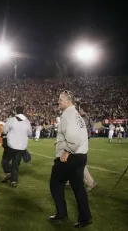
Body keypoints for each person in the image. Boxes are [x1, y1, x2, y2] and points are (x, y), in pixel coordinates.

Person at [49, 90, 92, 228]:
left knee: (55, 182)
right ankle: (85, 218)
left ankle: (61, 213)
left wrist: (66, 152)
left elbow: (74, 138)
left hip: (71, 156)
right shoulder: (76, 115)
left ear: (68, 101)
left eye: (60, 100)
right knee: (78, 187)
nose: (58, 102)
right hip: (81, 156)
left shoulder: (68, 115)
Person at [1, 106, 32, 187]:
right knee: (16, 164)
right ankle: (13, 181)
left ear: (15, 111)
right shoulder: (27, 121)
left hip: (11, 145)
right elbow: (30, 133)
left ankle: (9, 172)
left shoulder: (12, 120)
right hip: (22, 146)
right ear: (23, 111)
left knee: (4, 161)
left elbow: (4, 130)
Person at [79, 103, 96, 192]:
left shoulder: (82, 119)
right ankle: (69, 180)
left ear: (81, 109)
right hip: (86, 142)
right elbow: (94, 130)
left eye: (79, 108)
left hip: (81, 143)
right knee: (74, 162)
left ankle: (90, 182)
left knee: (80, 163)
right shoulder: (90, 119)